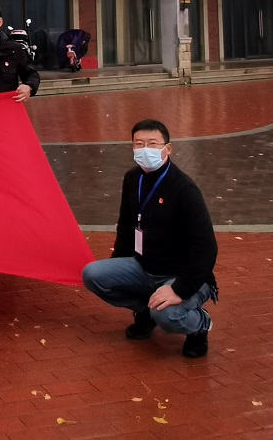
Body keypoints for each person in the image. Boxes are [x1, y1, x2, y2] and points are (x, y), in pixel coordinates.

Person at [81, 119, 218, 358]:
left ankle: (199, 326)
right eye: (139, 144)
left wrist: (179, 289)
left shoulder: (184, 189)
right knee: (93, 275)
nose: (145, 150)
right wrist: (119, 262)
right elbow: (126, 226)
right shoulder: (133, 179)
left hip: (183, 274)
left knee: (167, 315)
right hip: (144, 267)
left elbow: (206, 246)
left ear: (168, 148)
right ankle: (145, 310)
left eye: (153, 144)